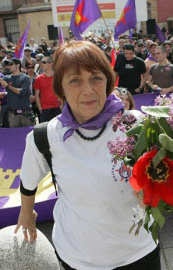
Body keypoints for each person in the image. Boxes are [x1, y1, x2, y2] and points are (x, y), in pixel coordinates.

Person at [14, 41, 159, 270]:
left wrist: (153, 192)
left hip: (138, 251)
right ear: (60, 89)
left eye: (96, 78)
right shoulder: (45, 137)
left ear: (108, 82)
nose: (88, 90)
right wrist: (26, 212)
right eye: (75, 81)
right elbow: (28, 182)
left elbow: (164, 175)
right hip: (79, 258)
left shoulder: (136, 124)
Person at [0, 58, 34, 127]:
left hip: (25, 114)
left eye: (11, 64)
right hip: (13, 114)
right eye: (8, 65)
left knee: (28, 136)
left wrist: (8, 86)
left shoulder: (25, 78)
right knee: (14, 136)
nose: (9, 66)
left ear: (18, 65)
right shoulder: (7, 78)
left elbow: (22, 92)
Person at [33, 56, 61, 122]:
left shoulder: (57, 77)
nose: (41, 64)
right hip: (45, 110)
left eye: (44, 62)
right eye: (41, 62)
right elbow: (36, 95)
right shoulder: (38, 79)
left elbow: (62, 91)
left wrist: (61, 105)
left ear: (50, 64)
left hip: (57, 108)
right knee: (46, 131)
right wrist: (40, 109)